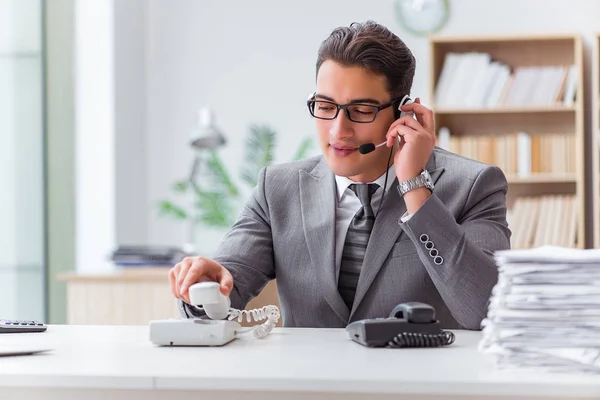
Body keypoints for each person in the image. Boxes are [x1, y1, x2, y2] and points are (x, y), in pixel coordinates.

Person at [169, 21, 511, 330]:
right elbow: (225, 287)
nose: (338, 130)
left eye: (361, 110)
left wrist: (415, 187)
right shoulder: (277, 190)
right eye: (325, 106)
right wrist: (206, 289)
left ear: (403, 113)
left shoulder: (474, 187)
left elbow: (485, 311)